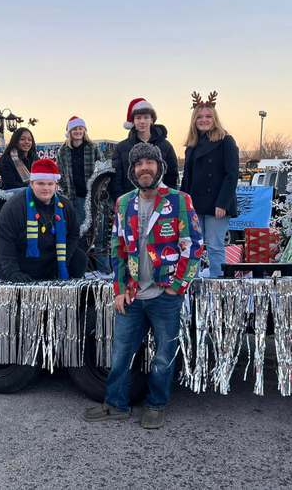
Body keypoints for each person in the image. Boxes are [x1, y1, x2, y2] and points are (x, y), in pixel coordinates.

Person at [84, 142, 203, 429]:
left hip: (166, 295)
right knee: (121, 353)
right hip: (133, 295)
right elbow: (118, 248)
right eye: (139, 164)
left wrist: (178, 284)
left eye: (150, 162)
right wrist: (119, 289)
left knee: (163, 354)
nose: (144, 168)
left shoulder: (179, 201)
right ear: (132, 170)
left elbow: (194, 245)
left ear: (159, 167)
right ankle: (116, 404)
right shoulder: (124, 203)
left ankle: (156, 404)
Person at [0, 159, 86, 281]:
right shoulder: (15, 206)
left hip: (51, 259)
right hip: (22, 260)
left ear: (56, 185)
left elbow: (73, 234)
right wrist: (13, 272)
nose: (46, 188)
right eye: (40, 183)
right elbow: (4, 241)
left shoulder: (64, 205)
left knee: (79, 259)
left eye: (50, 184)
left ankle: (67, 292)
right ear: (31, 184)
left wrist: (64, 259)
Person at [180, 92, 239, 278]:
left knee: (215, 245)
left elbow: (232, 175)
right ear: (194, 120)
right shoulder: (191, 146)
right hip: (195, 204)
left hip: (217, 205)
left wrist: (222, 202)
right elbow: (187, 179)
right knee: (193, 245)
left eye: (208, 117)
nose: (204, 120)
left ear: (215, 119)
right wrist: (183, 204)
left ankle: (218, 282)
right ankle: (192, 282)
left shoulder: (226, 141)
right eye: (200, 117)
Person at [110, 97, 179, 200]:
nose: (142, 121)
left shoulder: (165, 146)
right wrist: (120, 202)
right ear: (133, 121)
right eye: (138, 118)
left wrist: (169, 200)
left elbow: (172, 177)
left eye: (146, 117)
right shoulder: (121, 148)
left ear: (152, 120)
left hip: (160, 203)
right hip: (131, 202)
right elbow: (116, 180)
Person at [56, 116, 103, 224]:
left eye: (80, 128)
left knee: (93, 226)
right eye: (74, 129)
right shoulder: (62, 151)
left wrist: (98, 189)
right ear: (70, 132)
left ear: (84, 130)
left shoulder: (93, 148)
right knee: (77, 227)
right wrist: (66, 191)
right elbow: (59, 173)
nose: (78, 131)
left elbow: (101, 170)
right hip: (73, 196)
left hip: (92, 195)